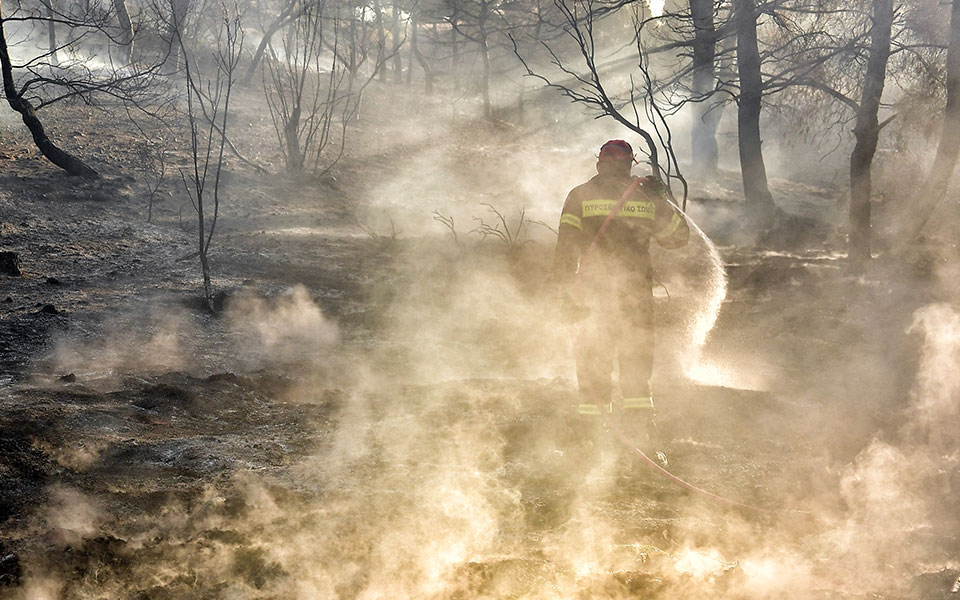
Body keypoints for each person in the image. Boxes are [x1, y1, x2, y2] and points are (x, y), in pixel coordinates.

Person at [554, 139, 689, 450]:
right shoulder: (642, 197)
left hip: (594, 294)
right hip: (631, 295)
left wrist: (564, 291)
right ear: (629, 164)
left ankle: (593, 430)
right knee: (634, 358)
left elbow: (565, 248)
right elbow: (677, 238)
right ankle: (638, 430)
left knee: (595, 358)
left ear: (600, 163)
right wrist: (662, 199)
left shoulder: (580, 196)